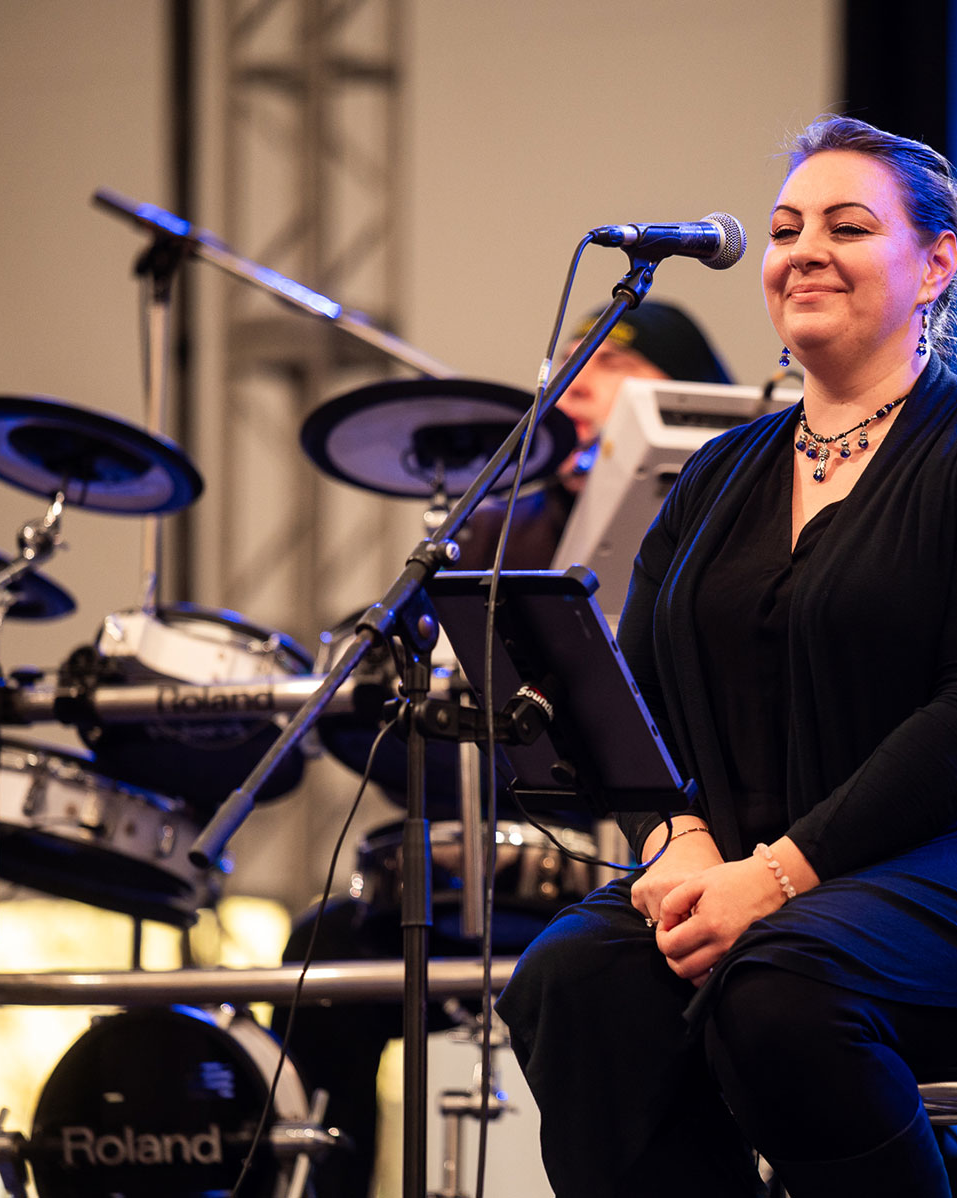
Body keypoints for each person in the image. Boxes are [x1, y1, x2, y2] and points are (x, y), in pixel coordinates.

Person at [495, 116, 957, 1198]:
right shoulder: (716, 476)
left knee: (778, 984)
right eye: (787, 229)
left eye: (848, 227)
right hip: (749, 874)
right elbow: (635, 702)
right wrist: (678, 843)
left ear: (936, 264)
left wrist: (777, 876)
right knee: (573, 976)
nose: (805, 252)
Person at [276, 300, 730, 1198]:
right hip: (521, 863)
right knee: (320, 953)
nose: (579, 388)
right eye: (571, 368)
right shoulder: (501, 527)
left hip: (675, 856)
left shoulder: (732, 510)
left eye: (610, 366)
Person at [452, 300, 732, 570]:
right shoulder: (489, 540)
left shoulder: (738, 529)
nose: (573, 384)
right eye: (569, 364)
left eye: (612, 364)